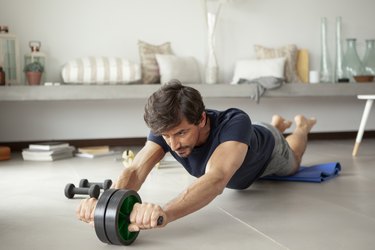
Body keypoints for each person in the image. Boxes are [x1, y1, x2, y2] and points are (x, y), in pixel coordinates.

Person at [77, 79, 317, 232]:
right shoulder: (168, 128)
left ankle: (300, 126)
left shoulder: (234, 122)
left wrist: (165, 213)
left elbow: (216, 178)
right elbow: (136, 169)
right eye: (167, 136)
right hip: (245, 148)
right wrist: (109, 203)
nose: (174, 143)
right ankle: (278, 122)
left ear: (201, 119)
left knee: (294, 159)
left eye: (181, 133)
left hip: (269, 149)